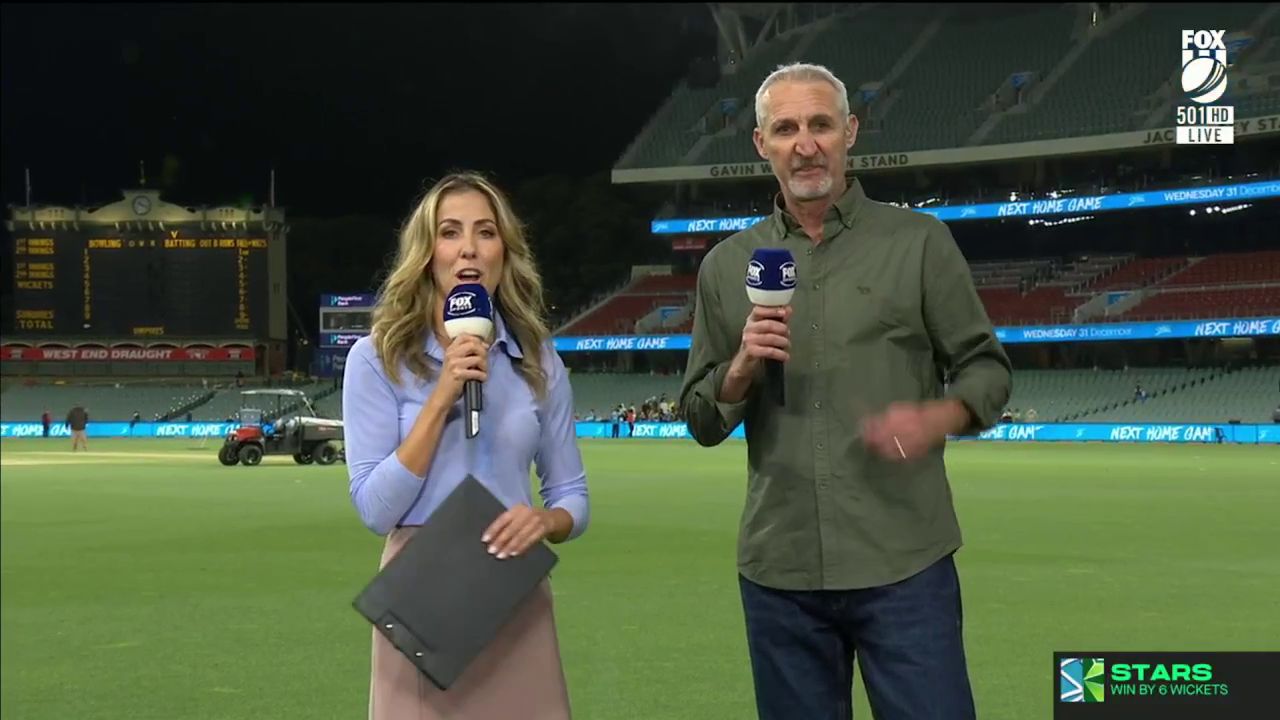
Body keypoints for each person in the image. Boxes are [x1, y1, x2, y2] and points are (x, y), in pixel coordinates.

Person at [679, 62, 1012, 720]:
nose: (805, 145)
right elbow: (700, 418)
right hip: (781, 572)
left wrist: (939, 414)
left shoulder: (919, 243)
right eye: (786, 129)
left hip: (904, 563)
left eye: (821, 125)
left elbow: (987, 370)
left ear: (850, 131)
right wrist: (741, 367)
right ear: (761, 143)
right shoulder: (725, 266)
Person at [342, 171, 589, 720]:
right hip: (423, 596)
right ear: (428, 253)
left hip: (514, 590)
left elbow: (572, 494)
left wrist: (545, 521)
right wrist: (441, 396)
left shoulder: (538, 359)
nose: (469, 249)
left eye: (486, 231)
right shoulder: (376, 358)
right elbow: (376, 510)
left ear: (505, 250)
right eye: (450, 232)